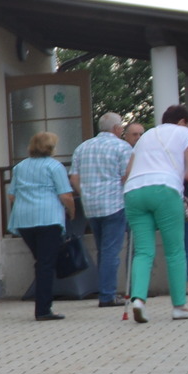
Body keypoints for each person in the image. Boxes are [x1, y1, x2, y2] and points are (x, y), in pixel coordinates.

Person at [122, 104, 188, 322]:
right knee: (175, 251)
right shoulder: (184, 133)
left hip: (134, 191)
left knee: (143, 251)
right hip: (165, 189)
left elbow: (128, 172)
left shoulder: (146, 136)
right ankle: (179, 306)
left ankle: (138, 300)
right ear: (183, 121)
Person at [6, 132, 74, 321]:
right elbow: (66, 195)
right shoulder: (55, 166)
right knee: (45, 264)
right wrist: (72, 212)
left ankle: (43, 305)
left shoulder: (20, 167)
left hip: (24, 220)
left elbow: (11, 195)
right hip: (48, 218)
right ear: (51, 147)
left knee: (41, 261)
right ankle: (43, 309)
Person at [69, 112, 133, 307]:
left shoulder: (82, 147)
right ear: (116, 129)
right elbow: (128, 175)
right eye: (121, 127)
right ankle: (107, 295)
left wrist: (85, 193)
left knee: (102, 250)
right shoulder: (122, 147)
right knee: (111, 251)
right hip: (114, 203)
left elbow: (73, 178)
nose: (122, 129)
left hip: (91, 206)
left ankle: (105, 290)